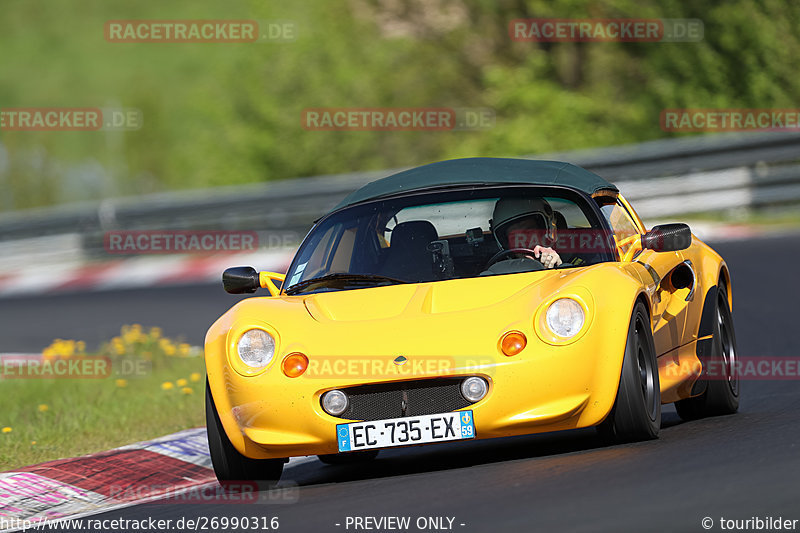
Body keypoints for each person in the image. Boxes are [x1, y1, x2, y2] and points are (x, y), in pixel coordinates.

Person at [482, 197, 562, 275]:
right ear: (506, 243)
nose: (523, 241)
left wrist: (557, 266)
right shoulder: (496, 275)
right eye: (514, 236)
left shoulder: (571, 262)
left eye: (528, 232)